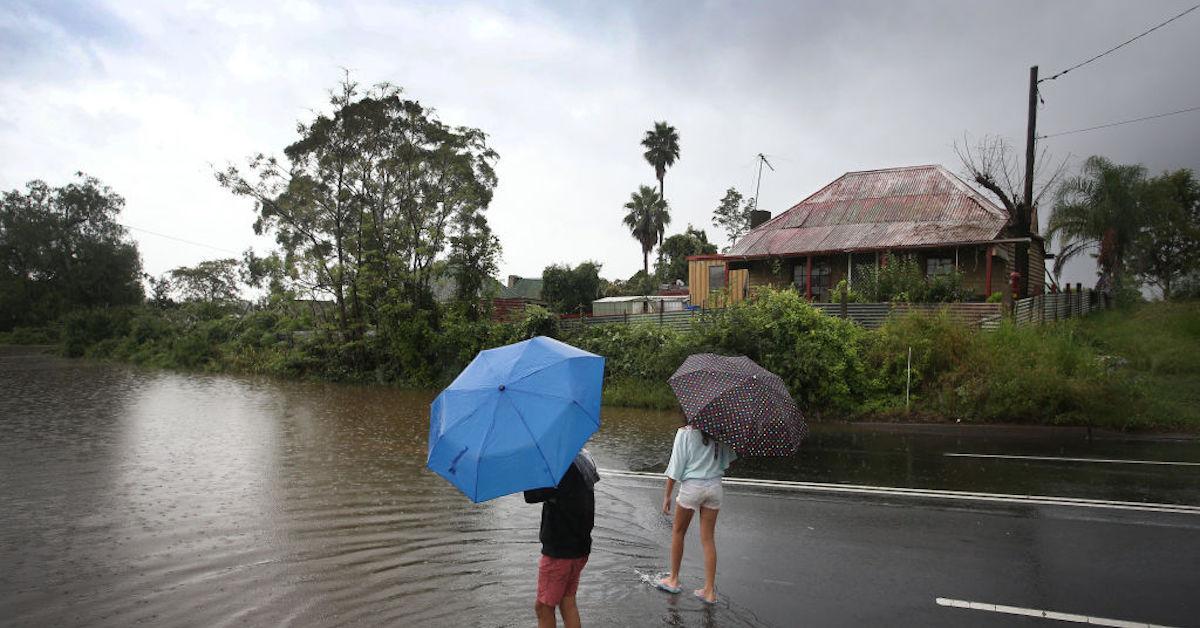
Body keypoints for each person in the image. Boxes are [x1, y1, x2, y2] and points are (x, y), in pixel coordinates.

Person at [656, 424, 736, 604]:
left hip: (692, 487)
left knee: (678, 532)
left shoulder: (685, 432)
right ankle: (709, 591)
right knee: (708, 539)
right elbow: (728, 460)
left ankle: (674, 579)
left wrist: (667, 495)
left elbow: (675, 466)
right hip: (715, 487)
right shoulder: (720, 432)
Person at [524, 449, 600, 628]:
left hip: (560, 552)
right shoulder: (581, 457)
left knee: (543, 607)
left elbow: (531, 495)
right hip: (580, 547)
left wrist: (528, 464)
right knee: (567, 602)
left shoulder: (558, 466)